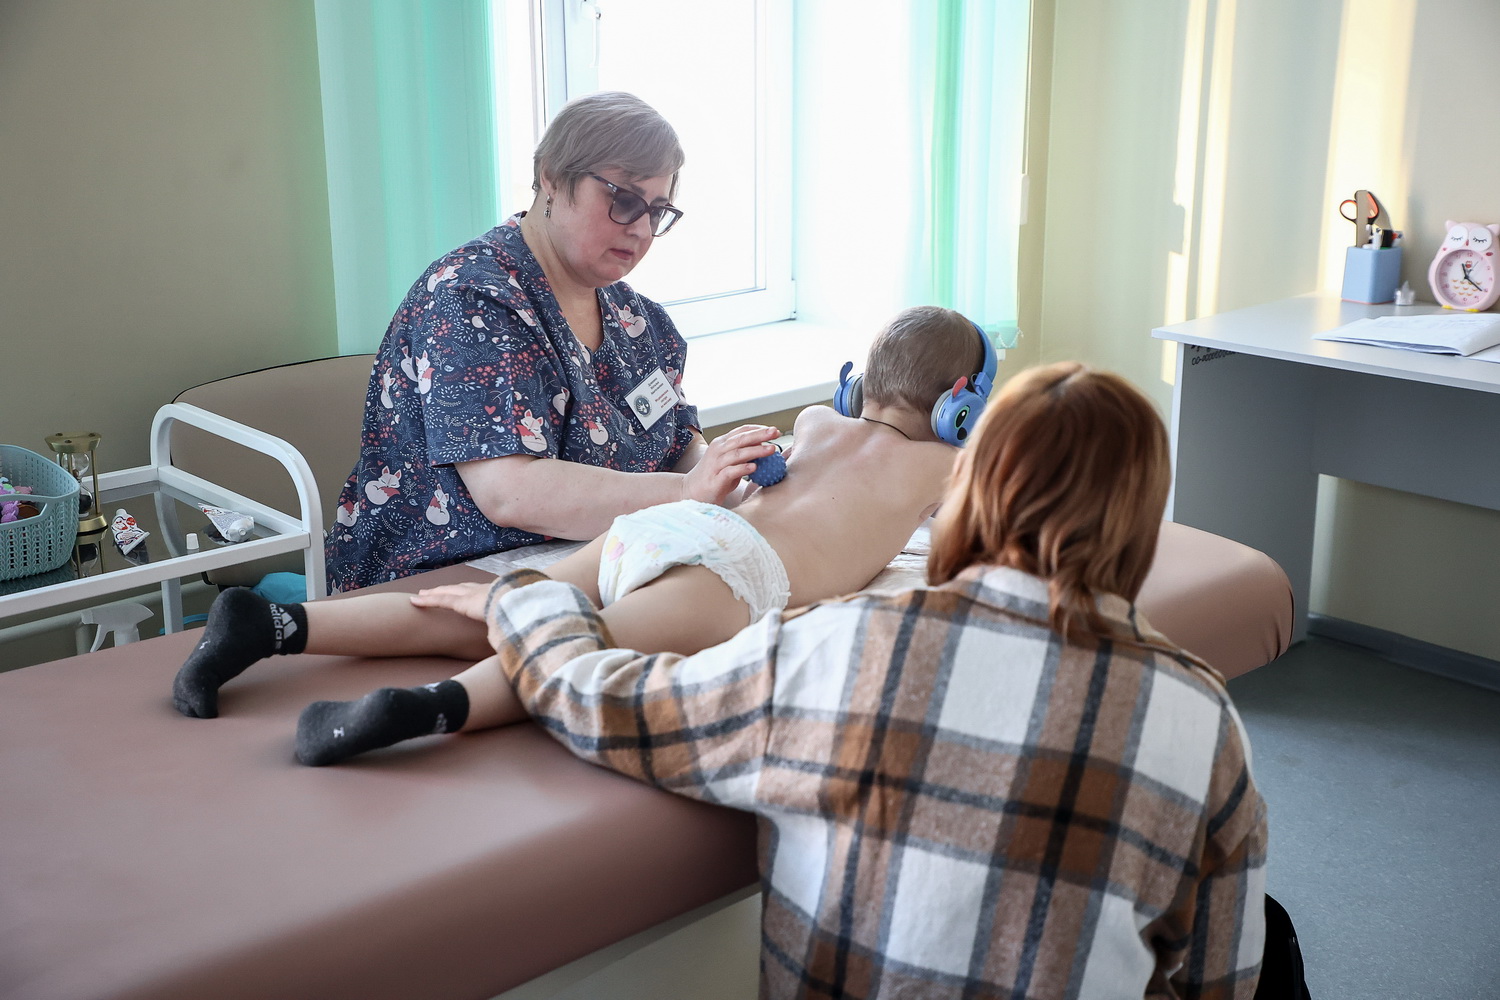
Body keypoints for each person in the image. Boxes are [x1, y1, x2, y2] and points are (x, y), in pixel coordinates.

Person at [416, 361, 1270, 998]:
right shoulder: (1201, 717)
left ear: (972, 489)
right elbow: (1223, 978)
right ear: (1137, 526)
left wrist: (527, 598)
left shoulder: (836, 646)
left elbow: (598, 700)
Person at [173, 307, 987, 752]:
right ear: (961, 404)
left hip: (674, 521)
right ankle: (419, 711)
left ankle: (277, 624)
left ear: (859, 385)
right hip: (739, 575)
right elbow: (971, 545)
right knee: (572, 648)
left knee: (493, 608)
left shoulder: (815, 421)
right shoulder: (945, 466)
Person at [324, 90, 778, 592]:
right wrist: (689, 492)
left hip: (595, 560)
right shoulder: (471, 298)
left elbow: (678, 446)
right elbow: (511, 492)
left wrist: (731, 481)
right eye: (624, 200)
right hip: (441, 576)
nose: (641, 230)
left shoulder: (640, 321)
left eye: (657, 211)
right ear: (552, 179)